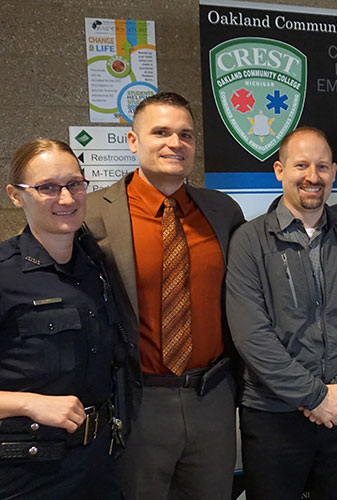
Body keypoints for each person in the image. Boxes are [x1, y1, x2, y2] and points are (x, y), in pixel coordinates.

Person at [85, 92, 244, 499]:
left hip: (212, 398)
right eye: (161, 132)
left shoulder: (223, 212)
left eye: (186, 135)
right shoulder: (91, 215)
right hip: (138, 402)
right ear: (133, 141)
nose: (176, 143)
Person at [225, 127, 337, 500]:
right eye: (301, 165)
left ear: (333, 173)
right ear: (280, 170)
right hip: (273, 417)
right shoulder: (249, 242)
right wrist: (314, 396)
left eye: (322, 167)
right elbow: (252, 335)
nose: (312, 177)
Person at [0, 139, 131, 499]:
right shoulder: (5, 275)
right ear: (16, 195)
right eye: (47, 188)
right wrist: (28, 402)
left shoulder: (97, 266)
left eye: (74, 184)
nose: (67, 199)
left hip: (100, 463)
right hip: (28, 471)